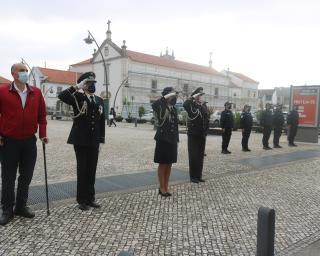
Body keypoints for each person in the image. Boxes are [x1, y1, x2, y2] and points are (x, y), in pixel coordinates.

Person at [0, 63, 48, 225]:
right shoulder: (3, 92)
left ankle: (21, 206)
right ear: (13, 73)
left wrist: (43, 134)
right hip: (8, 141)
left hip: (29, 141)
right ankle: (7, 209)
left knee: (26, 176)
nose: (25, 73)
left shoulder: (36, 92)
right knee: (8, 178)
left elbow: (42, 116)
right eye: (22, 71)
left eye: (26, 71)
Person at [58, 72, 105, 211]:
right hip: (80, 139)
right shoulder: (77, 97)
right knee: (82, 169)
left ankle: (91, 198)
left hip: (94, 140)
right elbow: (62, 96)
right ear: (84, 84)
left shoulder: (99, 100)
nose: (92, 85)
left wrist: (101, 139)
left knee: (92, 170)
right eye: (89, 83)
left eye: (93, 83)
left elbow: (101, 121)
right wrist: (77, 87)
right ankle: (82, 199)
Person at [152, 87, 179, 197]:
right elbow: (154, 105)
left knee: (169, 164)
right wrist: (165, 97)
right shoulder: (160, 106)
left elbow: (175, 125)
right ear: (167, 96)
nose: (173, 98)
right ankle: (161, 187)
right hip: (163, 139)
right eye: (171, 95)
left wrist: (177, 139)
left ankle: (166, 186)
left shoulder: (173, 109)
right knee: (162, 164)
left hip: (172, 140)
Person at [183, 87, 209, 183]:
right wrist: (192, 97)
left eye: (202, 95)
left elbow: (206, 119)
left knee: (200, 156)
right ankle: (193, 176)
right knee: (193, 156)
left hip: (202, 134)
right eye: (200, 95)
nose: (202, 96)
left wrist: (206, 131)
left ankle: (198, 176)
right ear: (196, 96)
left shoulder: (203, 106)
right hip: (193, 134)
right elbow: (185, 104)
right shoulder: (191, 105)